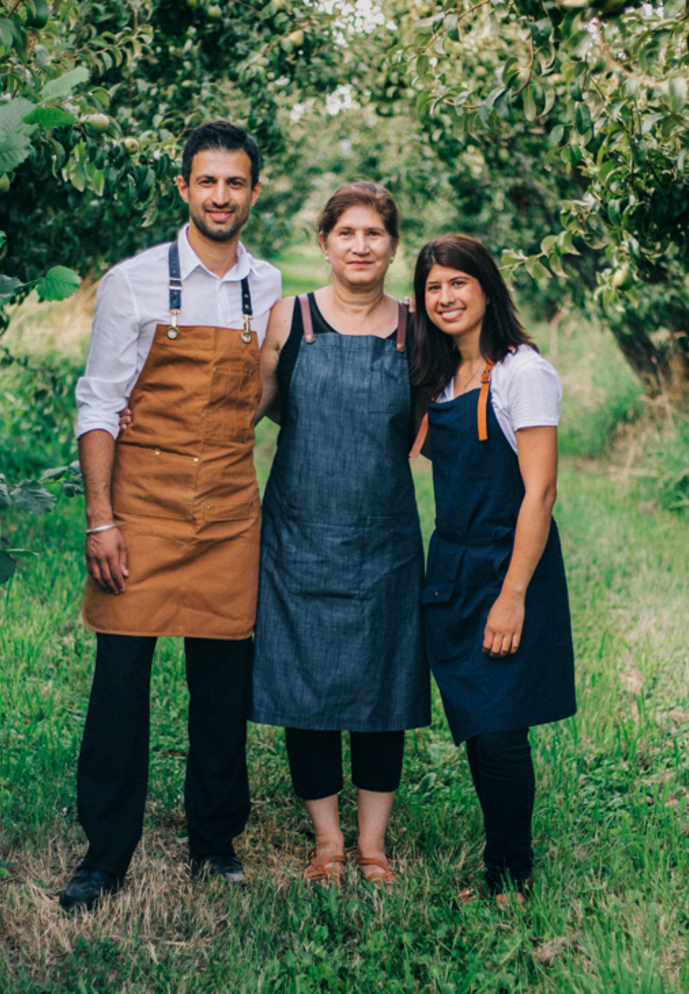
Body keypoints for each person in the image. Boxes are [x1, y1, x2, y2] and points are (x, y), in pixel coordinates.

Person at [59, 121, 282, 913]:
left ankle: (215, 842)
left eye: (236, 182)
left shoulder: (271, 285)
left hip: (227, 510)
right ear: (183, 188)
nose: (222, 196)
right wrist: (101, 518)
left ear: (255, 191)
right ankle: (103, 855)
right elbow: (100, 403)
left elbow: (264, 397)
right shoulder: (134, 281)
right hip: (141, 511)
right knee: (120, 682)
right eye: (207, 182)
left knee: (222, 685)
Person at [249, 182, 431, 888]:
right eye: (346, 233)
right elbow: (251, 411)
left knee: (382, 694)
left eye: (374, 234)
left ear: (393, 246)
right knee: (308, 690)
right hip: (297, 539)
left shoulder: (416, 329)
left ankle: (373, 845)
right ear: (323, 243)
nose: (360, 246)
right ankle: (327, 843)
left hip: (385, 542)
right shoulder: (288, 320)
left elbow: (437, 418)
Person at [410, 234, 576, 907]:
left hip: (507, 565)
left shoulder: (521, 373)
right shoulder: (445, 376)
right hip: (454, 563)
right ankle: (502, 860)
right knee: (479, 721)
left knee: (501, 725)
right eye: (432, 287)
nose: (445, 297)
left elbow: (540, 492)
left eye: (458, 283)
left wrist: (513, 596)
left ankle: (511, 872)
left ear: (486, 288)